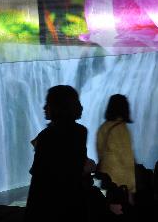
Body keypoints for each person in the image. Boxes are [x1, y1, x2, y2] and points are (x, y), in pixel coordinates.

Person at [25, 85, 93, 221]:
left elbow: (39, 177)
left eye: (48, 103)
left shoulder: (46, 136)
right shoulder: (81, 132)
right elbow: (75, 166)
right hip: (74, 200)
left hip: (50, 203)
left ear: (58, 106)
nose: (44, 107)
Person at [97, 94, 136, 205]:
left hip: (105, 180)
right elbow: (127, 161)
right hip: (120, 183)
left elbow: (100, 152)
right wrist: (131, 190)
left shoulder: (103, 127)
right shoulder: (122, 128)